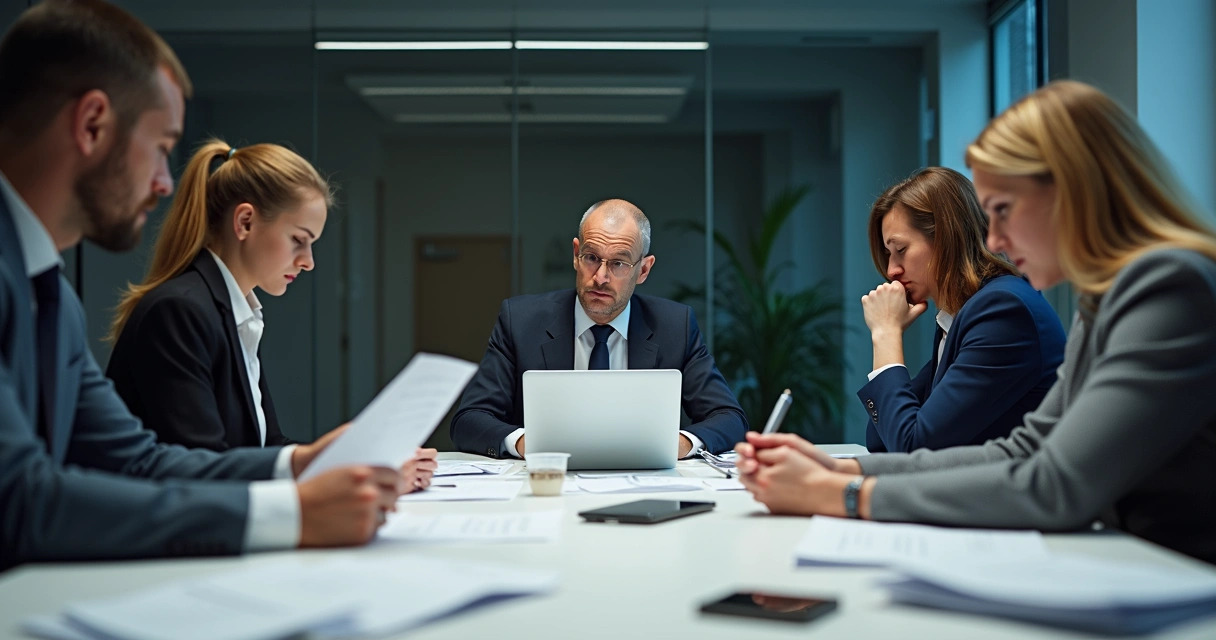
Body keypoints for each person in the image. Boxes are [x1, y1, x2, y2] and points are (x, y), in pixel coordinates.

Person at [736, 80, 1216, 565]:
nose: (998, 241)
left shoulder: (1167, 285)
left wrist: (844, 495)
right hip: (1136, 564)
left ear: (1075, 189)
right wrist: (843, 469)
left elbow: (1055, 485)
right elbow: (1025, 448)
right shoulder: (1103, 298)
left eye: (1004, 211)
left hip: (1180, 581)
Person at [0, 0, 402, 569]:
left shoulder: (52, 296)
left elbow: (140, 461)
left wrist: (299, 464)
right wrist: (292, 513)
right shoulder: (150, 305)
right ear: (92, 124)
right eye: (161, 148)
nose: (166, 184)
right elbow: (19, 501)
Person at [103, 140, 435, 489]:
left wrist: (368, 465)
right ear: (245, 222)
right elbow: (203, 468)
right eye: (298, 240)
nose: (308, 261)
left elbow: (267, 448)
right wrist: (353, 476)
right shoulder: (180, 311)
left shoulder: (233, 312)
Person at [451, 199, 748, 458]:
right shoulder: (521, 320)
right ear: (576, 255)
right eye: (592, 258)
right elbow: (470, 419)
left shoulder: (675, 326)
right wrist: (529, 444)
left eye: (619, 263)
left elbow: (729, 418)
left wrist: (679, 444)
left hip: (642, 485)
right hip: (549, 488)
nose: (601, 277)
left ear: (643, 270)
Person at [858, 167, 1065, 452]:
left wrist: (885, 333)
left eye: (901, 250)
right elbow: (881, 439)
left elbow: (911, 446)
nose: (892, 270)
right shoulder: (962, 314)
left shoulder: (1002, 312)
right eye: (888, 254)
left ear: (945, 238)